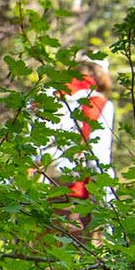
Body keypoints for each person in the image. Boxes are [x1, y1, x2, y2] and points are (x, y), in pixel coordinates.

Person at [35, 59, 117, 236]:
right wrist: (109, 205)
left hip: (36, 190)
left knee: (37, 254)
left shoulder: (45, 96)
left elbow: (28, 146)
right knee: (73, 256)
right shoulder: (98, 104)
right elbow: (98, 158)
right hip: (74, 190)